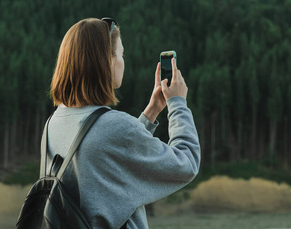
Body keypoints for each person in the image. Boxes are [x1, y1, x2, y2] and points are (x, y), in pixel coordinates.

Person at [45, 17, 200, 228]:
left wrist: (152, 111)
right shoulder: (113, 126)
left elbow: (105, 152)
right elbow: (186, 164)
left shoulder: (54, 122)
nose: (122, 61)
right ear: (106, 61)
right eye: (121, 54)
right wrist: (177, 103)